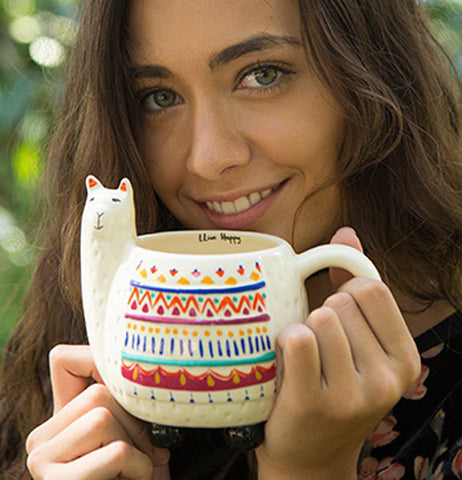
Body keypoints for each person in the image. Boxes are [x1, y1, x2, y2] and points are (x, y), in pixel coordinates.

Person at [1, 0, 461, 478]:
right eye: (157, 97)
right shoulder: (85, 350)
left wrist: (307, 470)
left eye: (262, 75)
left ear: (373, 67)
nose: (207, 158)